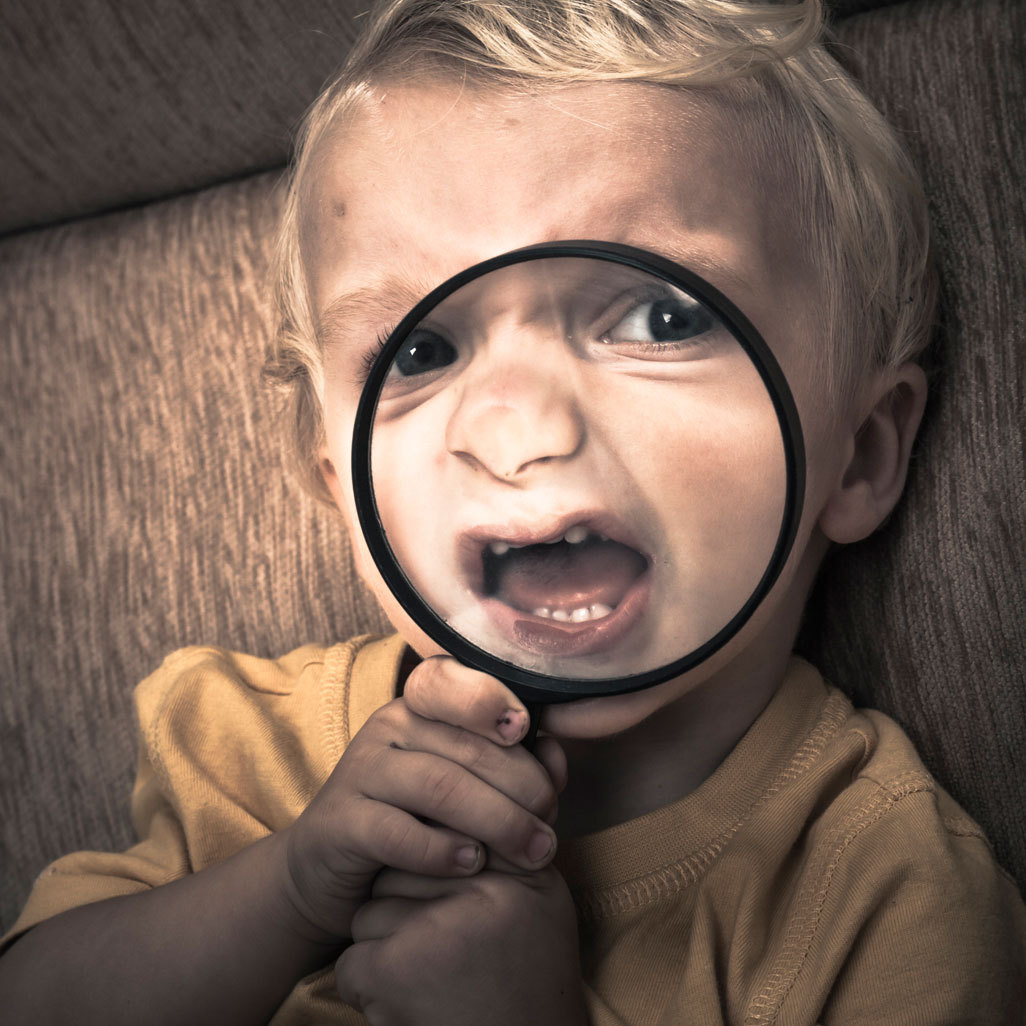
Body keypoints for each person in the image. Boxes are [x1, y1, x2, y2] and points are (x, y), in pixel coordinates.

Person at [1, 0, 1024, 1022]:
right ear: (336, 478)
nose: (517, 429)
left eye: (662, 318)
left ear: (863, 453)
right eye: (420, 351)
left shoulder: (889, 896)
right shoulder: (251, 747)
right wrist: (290, 890)